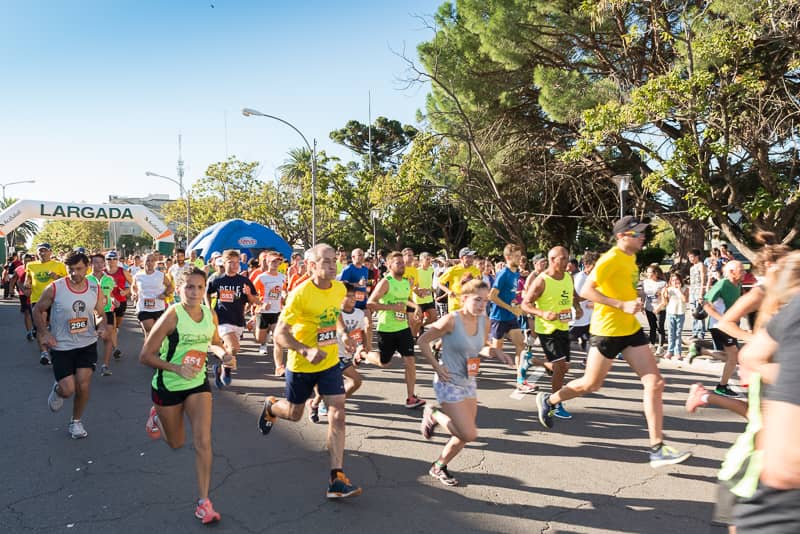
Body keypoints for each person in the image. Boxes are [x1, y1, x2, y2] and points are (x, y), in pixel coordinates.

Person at [535, 216, 691, 468]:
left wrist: (635, 300)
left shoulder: (631, 259)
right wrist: (620, 304)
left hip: (630, 329)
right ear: (621, 236)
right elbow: (586, 291)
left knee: (655, 382)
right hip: (607, 330)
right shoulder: (610, 258)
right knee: (590, 384)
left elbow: (622, 289)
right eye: (636, 233)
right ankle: (549, 400)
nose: (642, 237)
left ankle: (657, 448)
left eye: (642, 233)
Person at [257, 244, 362, 499]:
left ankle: (336, 477)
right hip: (302, 364)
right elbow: (280, 334)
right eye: (325, 261)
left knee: (337, 413)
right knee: (294, 414)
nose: (332, 264)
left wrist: (341, 333)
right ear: (311, 266)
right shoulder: (299, 294)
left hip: (329, 362)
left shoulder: (338, 287)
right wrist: (305, 351)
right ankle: (272, 407)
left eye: (334, 260)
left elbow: (334, 313)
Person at [139, 267, 235, 524]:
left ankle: (204, 502)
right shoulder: (172, 315)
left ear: (205, 289)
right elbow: (145, 356)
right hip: (168, 385)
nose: (194, 292)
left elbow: (213, 341)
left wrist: (222, 353)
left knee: (203, 441)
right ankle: (156, 416)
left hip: (197, 383)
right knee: (176, 443)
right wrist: (176, 367)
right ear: (179, 289)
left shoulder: (209, 314)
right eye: (189, 287)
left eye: (200, 287)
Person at [418, 279, 514, 486]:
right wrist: (436, 366)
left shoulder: (484, 321)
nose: (482, 305)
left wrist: (496, 352)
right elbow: (422, 341)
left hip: (468, 380)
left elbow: (481, 347)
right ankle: (433, 413)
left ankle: (439, 466)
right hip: (448, 380)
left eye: (486, 301)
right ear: (464, 299)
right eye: (478, 300)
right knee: (469, 433)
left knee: (463, 434)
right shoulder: (451, 320)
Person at [35, 251, 108, 439]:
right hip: (62, 346)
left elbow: (100, 312)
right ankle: (58, 390)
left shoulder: (95, 287)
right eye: (71, 270)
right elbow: (38, 309)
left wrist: (102, 326)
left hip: (87, 343)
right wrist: (44, 332)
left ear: (87, 267)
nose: (75, 273)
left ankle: (76, 422)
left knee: (83, 385)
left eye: (79, 269)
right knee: (68, 389)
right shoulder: (55, 288)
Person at [521, 246, 583, 419]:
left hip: (563, 326)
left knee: (563, 367)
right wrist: (542, 313)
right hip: (546, 329)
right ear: (552, 259)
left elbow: (574, 297)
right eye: (562, 258)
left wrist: (577, 308)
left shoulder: (568, 277)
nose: (566, 262)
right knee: (561, 365)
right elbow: (525, 304)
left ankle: (532, 361)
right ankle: (554, 403)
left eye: (567, 258)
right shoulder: (542, 280)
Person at [359, 251, 426, 408]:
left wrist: (415, 306)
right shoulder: (385, 282)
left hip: (403, 328)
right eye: (398, 263)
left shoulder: (404, 282)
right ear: (389, 266)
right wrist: (391, 307)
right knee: (385, 362)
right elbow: (370, 303)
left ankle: (411, 397)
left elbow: (405, 300)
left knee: (410, 360)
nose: (402, 265)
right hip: (386, 329)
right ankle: (363, 354)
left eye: (402, 263)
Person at [308, 282, 367, 422]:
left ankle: (325, 402)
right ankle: (318, 403)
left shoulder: (359, 313)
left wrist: (359, 347)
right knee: (330, 384)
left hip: (345, 355)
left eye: (354, 296)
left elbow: (360, 333)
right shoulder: (331, 312)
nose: (353, 299)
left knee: (356, 381)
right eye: (349, 296)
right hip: (331, 354)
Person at [205, 249, 260, 387]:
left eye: (237, 262)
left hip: (238, 319)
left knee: (231, 348)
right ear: (223, 263)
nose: (234, 265)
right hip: (221, 318)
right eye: (231, 262)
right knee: (235, 347)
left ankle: (220, 368)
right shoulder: (216, 279)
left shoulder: (244, 280)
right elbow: (206, 293)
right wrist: (209, 308)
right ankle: (226, 369)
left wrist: (248, 295)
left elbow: (255, 301)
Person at [691, 261, 744, 397]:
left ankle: (700, 350)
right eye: (741, 269)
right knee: (734, 356)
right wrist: (723, 320)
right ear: (732, 272)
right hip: (719, 325)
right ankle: (722, 386)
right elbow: (705, 302)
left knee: (733, 357)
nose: (744, 272)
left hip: (728, 325)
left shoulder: (737, 284)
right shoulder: (722, 283)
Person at [488, 244, 529, 392]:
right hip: (499, 316)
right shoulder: (503, 274)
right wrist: (510, 307)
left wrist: (516, 304)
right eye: (516, 256)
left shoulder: (516, 273)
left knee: (521, 346)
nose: (519, 259)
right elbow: (491, 296)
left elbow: (511, 294)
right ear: (508, 257)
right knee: (495, 351)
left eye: (520, 256)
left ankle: (520, 379)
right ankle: (473, 348)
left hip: (511, 317)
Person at [24, 243, 67, 365]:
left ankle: (58, 348)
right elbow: (28, 279)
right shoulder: (31, 265)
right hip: (37, 299)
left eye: (45, 251)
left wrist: (56, 276)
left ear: (50, 252)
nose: (42, 253)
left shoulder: (59, 265)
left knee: (55, 326)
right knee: (40, 326)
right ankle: (44, 353)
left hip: (56, 298)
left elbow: (68, 280)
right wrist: (27, 285)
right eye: (40, 251)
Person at [252, 252, 287, 374]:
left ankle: (279, 367)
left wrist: (284, 294)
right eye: (273, 262)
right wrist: (261, 304)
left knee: (278, 340)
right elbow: (251, 294)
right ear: (267, 262)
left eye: (278, 262)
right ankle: (258, 330)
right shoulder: (261, 278)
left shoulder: (282, 277)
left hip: (277, 312)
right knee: (260, 338)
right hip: (263, 313)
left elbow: (282, 290)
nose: (276, 264)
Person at [88, 254, 119, 376]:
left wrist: (114, 300)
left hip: (107, 311)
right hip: (91, 312)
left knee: (108, 336)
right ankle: (91, 361)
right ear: (91, 264)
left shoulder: (109, 279)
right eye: (96, 262)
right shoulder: (86, 279)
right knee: (91, 339)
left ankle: (105, 365)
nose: (99, 265)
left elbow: (110, 294)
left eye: (101, 262)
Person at [132, 253, 173, 338]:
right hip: (143, 307)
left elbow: (170, 287)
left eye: (152, 261)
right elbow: (133, 286)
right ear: (143, 262)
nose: (150, 263)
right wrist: (134, 294)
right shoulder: (138, 275)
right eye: (147, 261)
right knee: (149, 330)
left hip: (158, 307)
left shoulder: (160, 275)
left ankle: (152, 350)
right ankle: (150, 350)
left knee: (157, 333)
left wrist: (165, 294)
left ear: (155, 263)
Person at [104, 250, 133, 360]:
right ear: (105, 261)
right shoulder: (102, 273)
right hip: (107, 303)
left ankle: (114, 332)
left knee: (117, 324)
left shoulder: (122, 271)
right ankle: (116, 348)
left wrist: (126, 292)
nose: (111, 261)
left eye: (114, 259)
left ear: (117, 260)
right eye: (109, 259)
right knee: (112, 325)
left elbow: (134, 283)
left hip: (121, 301)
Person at [569, 251, 599, 352]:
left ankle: (588, 362)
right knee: (564, 340)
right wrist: (593, 297)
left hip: (589, 318)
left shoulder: (593, 277)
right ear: (586, 264)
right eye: (596, 265)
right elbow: (575, 297)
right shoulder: (581, 278)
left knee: (593, 341)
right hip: (578, 319)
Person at [437, 248, 481, 313]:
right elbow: (439, 283)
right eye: (468, 257)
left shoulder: (476, 270)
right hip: (455, 305)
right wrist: (449, 292)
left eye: (472, 257)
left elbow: (478, 285)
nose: (471, 259)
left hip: (470, 305)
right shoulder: (453, 270)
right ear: (461, 258)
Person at [661, 272, 688, 360]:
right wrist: (664, 293)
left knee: (678, 333)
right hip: (670, 312)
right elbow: (665, 301)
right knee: (671, 333)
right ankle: (670, 351)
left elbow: (685, 300)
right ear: (670, 281)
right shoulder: (669, 289)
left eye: (676, 279)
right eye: (673, 280)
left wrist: (679, 290)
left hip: (680, 313)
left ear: (680, 280)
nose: (675, 281)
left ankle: (678, 352)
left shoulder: (685, 288)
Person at [642, 264, 667, 356]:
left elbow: (665, 297)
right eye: (647, 272)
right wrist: (642, 305)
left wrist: (659, 306)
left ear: (655, 273)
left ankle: (660, 347)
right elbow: (643, 294)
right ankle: (652, 345)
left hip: (660, 308)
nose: (647, 274)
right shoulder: (646, 282)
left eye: (649, 272)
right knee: (652, 327)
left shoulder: (663, 283)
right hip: (649, 307)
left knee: (660, 327)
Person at [10, 253, 36, 341]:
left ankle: (36, 328)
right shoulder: (19, 269)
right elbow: (14, 280)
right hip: (23, 294)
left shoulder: (35, 268)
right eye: (25, 260)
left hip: (35, 293)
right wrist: (11, 289)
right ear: (22, 260)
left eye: (29, 261)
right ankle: (29, 332)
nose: (27, 262)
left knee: (35, 313)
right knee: (27, 312)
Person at [688, 249, 707, 341]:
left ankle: (701, 333)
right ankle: (695, 332)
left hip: (699, 291)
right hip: (692, 292)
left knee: (699, 313)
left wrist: (701, 293)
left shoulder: (701, 265)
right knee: (693, 312)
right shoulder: (692, 267)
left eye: (691, 257)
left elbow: (703, 279)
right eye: (689, 257)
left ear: (697, 256)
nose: (690, 259)